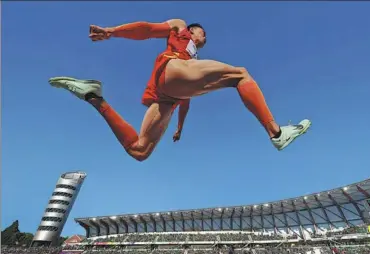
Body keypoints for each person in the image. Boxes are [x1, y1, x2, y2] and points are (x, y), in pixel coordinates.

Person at [49, 19, 311, 161]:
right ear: (193, 31)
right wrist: (112, 31)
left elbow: (186, 98)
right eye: (203, 34)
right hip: (171, 69)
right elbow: (149, 30)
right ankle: (276, 132)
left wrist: (180, 128)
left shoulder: (193, 61)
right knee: (240, 74)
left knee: (139, 151)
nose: (204, 38)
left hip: (170, 95)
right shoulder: (180, 28)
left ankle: (94, 96)